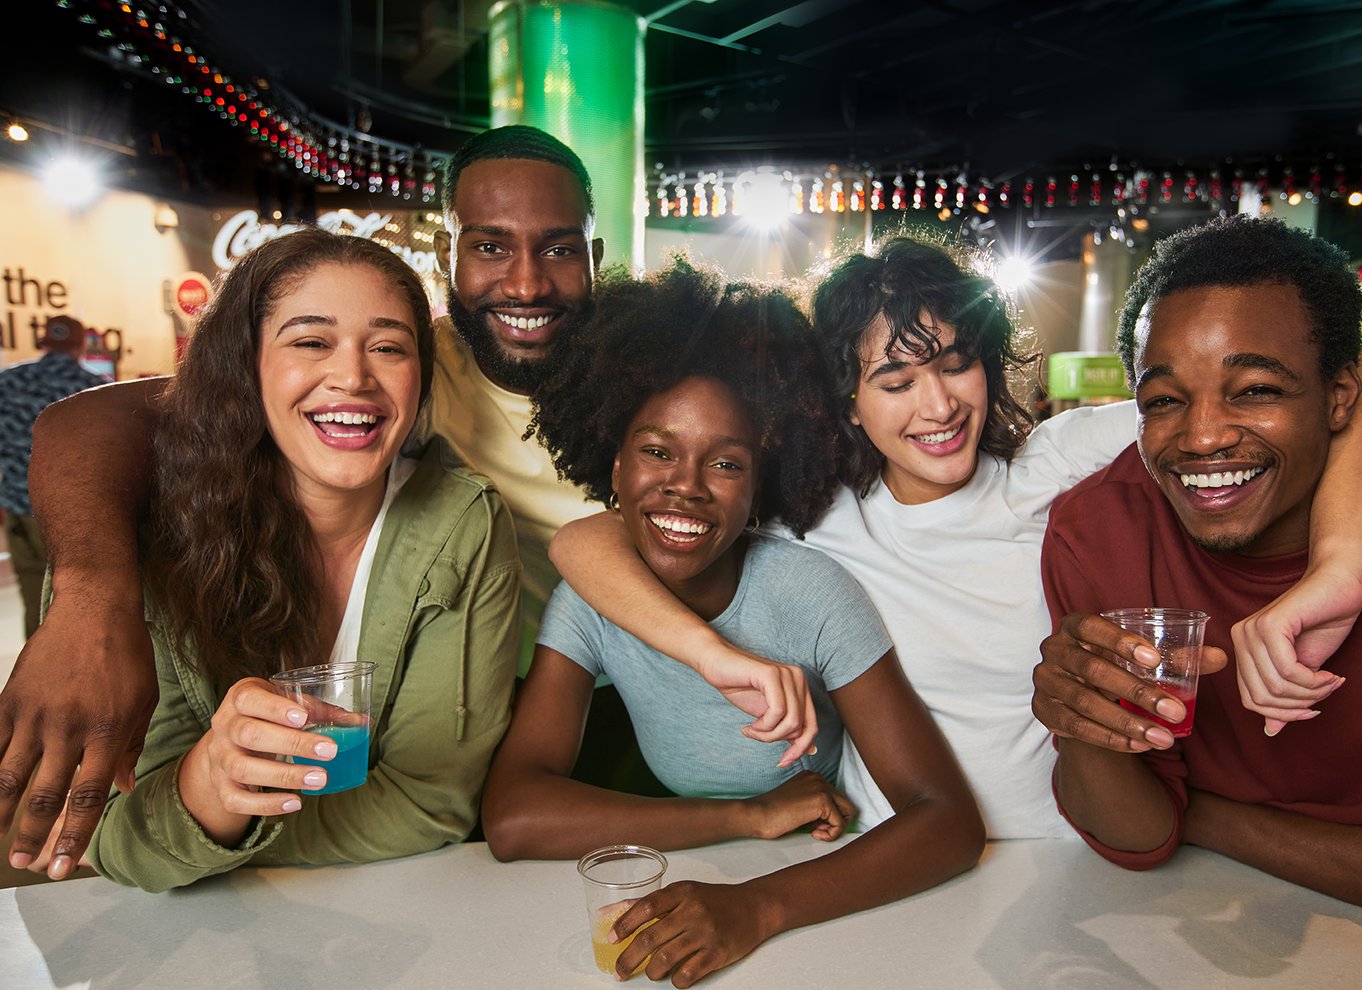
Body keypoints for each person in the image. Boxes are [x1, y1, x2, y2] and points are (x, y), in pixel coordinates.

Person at [0, 125, 808, 878]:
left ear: (594, 255)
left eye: (558, 250)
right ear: (446, 250)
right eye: (490, 247)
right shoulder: (410, 366)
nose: (526, 281)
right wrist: (91, 595)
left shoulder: (651, 378)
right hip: (490, 708)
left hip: (669, 699)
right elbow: (90, 418)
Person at [549, 233, 1362, 839]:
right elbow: (586, 541)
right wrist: (711, 655)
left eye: (954, 364)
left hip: (1070, 854)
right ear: (847, 405)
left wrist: (1337, 567)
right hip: (897, 851)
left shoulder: (1051, 469)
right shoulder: (822, 514)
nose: (937, 407)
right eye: (895, 381)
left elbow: (1319, 411)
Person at [482, 258, 983, 987]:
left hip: (825, 900)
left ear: (761, 483)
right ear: (612, 464)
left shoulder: (810, 594)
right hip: (692, 883)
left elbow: (947, 821)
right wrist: (745, 816)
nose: (685, 486)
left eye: (725, 464)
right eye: (657, 452)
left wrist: (759, 909)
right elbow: (514, 817)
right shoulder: (593, 601)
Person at [42, 228, 518, 891]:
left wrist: (209, 822)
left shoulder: (460, 523)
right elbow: (110, 835)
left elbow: (429, 802)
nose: (353, 376)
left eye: (388, 347)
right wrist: (211, 781)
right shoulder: (139, 535)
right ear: (246, 365)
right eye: (310, 342)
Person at [1031, 216, 1362, 905]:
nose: (1204, 436)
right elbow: (1138, 838)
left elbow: (1174, 822)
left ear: (1340, 397)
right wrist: (1082, 720)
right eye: (1163, 401)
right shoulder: (1098, 529)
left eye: (1256, 390)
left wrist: (1202, 816)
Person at [0, 315, 104, 636]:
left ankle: (37, 678)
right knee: (86, 604)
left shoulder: (6, 382)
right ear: (80, 344)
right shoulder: (97, 389)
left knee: (35, 603)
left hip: (21, 511)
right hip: (78, 518)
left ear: (43, 341)